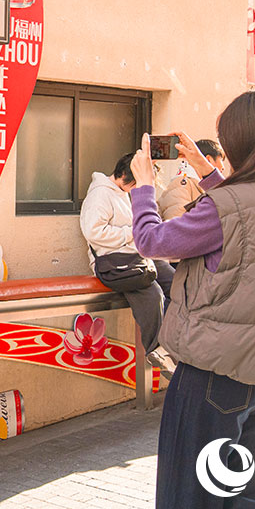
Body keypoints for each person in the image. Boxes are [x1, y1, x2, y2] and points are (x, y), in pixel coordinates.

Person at [128, 89, 255, 509]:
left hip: (215, 376)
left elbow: (152, 241)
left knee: (191, 498)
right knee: (249, 494)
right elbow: (250, 218)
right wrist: (209, 174)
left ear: (242, 141)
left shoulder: (226, 206)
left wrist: (143, 188)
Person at [79, 153, 176, 376]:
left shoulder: (124, 193)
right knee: (153, 294)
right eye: (135, 182)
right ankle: (157, 349)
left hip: (135, 256)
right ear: (123, 174)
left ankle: (173, 341)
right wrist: (132, 232)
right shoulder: (100, 193)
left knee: (176, 283)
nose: (137, 188)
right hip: (114, 262)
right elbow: (94, 232)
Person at [157, 139, 226, 220]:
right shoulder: (182, 185)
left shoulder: (191, 184)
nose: (223, 168)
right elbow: (178, 224)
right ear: (208, 160)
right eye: (221, 160)